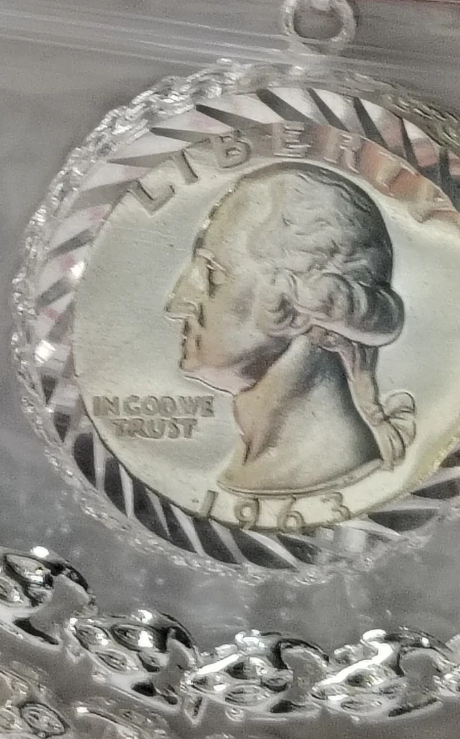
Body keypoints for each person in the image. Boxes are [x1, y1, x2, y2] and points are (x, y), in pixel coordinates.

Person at [166, 162, 414, 495]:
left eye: (212, 274)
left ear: (299, 311)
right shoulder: (256, 465)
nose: (178, 302)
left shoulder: (316, 467)